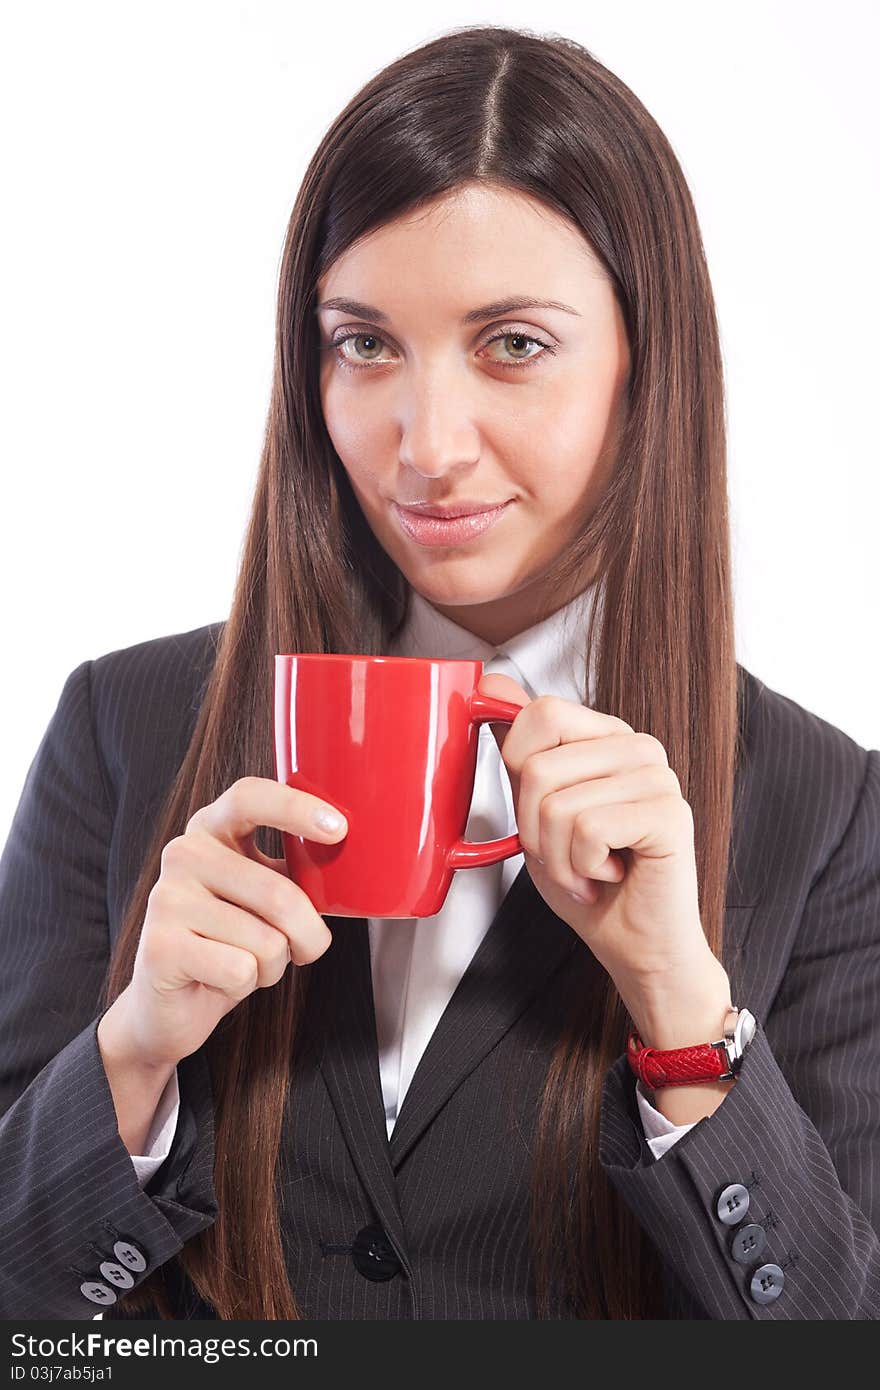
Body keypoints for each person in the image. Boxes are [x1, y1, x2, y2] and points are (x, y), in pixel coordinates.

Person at [1, 23, 878, 1322]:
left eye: (512, 344)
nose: (428, 445)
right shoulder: (126, 726)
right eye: (364, 343)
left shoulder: (825, 805)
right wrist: (130, 1057)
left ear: (646, 366)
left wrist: (685, 1013)